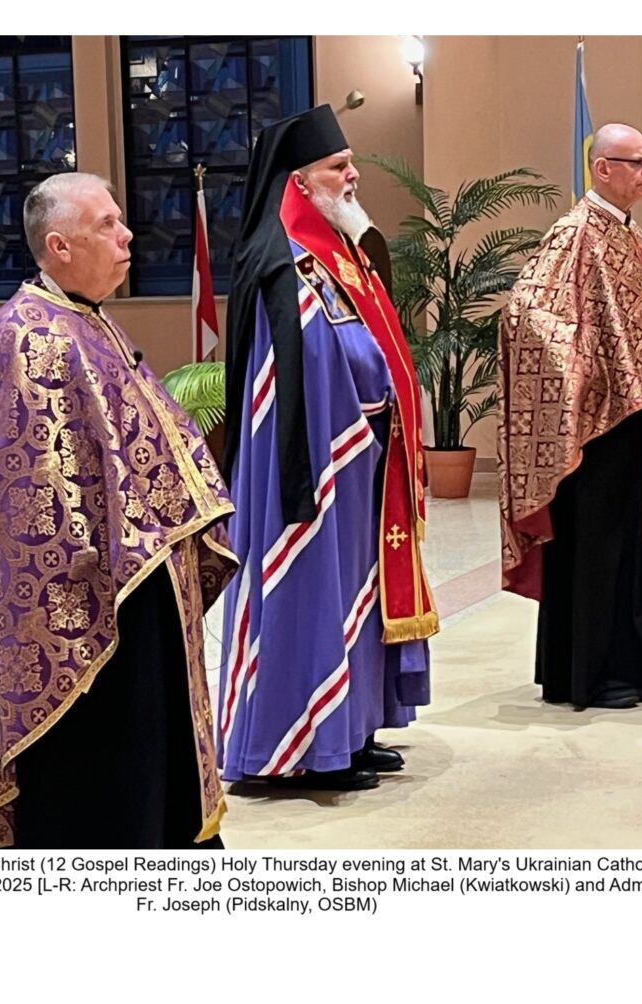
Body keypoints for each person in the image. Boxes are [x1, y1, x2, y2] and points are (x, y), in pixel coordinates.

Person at [0, 173, 237, 848]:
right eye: (107, 224)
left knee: (152, 754)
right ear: (60, 246)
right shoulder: (27, 337)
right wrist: (93, 582)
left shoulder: (85, 321)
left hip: (139, 583)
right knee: (106, 775)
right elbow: (31, 496)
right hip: (88, 611)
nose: (127, 235)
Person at [217, 105, 438, 792]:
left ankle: (352, 732)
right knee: (314, 595)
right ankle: (304, 748)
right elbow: (297, 372)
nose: (353, 175)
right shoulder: (284, 266)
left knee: (356, 601)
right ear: (299, 182)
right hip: (316, 460)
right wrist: (346, 430)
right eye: (338, 166)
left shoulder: (343, 254)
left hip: (365, 458)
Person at [498, 123, 642, 710]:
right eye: (636, 162)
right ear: (602, 168)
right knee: (603, 544)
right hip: (602, 427)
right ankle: (599, 673)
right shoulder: (575, 233)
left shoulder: (629, 233)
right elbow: (525, 313)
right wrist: (584, 370)